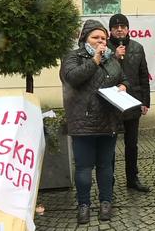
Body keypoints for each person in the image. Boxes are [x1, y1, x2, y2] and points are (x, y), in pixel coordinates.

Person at [60, 19, 129, 223]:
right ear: (85, 39)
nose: (100, 41)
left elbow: (123, 78)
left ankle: (106, 202)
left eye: (103, 38)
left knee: (106, 166)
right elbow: (72, 78)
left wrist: (124, 86)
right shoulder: (73, 57)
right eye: (95, 37)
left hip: (108, 121)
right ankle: (84, 205)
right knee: (83, 168)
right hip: (83, 123)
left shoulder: (111, 59)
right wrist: (95, 60)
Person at [107, 14, 151, 193]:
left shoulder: (137, 48)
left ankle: (132, 178)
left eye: (123, 26)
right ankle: (108, 181)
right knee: (109, 146)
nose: (119, 29)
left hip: (132, 102)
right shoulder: (104, 48)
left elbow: (143, 76)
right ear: (110, 30)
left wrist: (145, 101)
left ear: (128, 29)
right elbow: (100, 72)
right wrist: (114, 57)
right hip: (110, 105)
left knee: (132, 145)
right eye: (116, 26)